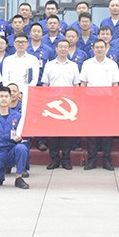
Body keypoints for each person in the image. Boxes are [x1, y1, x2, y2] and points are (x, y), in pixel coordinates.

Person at [79, 39, 119, 170]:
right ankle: (91, 160)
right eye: (97, 47)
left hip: (107, 102)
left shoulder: (112, 64)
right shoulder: (87, 64)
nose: (99, 49)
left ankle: (107, 160)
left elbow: (115, 84)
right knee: (91, 132)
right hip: (91, 101)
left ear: (106, 48)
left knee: (107, 131)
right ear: (93, 49)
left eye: (101, 47)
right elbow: (83, 83)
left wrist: (114, 101)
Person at [41, 39, 81, 169]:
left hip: (68, 104)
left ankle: (66, 160)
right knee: (53, 134)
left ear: (69, 49)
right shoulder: (49, 65)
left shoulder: (73, 66)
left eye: (65, 47)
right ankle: (54, 160)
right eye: (61, 47)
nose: (63, 49)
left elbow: (76, 85)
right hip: (53, 104)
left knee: (67, 134)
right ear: (56, 49)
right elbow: (45, 84)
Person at [0, 87, 29, 189]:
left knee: (22, 148)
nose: (4, 99)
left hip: (12, 151)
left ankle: (19, 178)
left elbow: (25, 137)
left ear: (10, 98)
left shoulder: (18, 116)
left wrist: (20, 139)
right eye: (1, 96)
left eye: (6, 96)